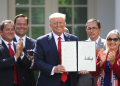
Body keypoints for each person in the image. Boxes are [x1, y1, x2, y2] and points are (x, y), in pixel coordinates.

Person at [33, 12, 78, 86]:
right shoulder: (41, 41)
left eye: (61, 22)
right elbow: (37, 62)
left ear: (65, 24)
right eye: (55, 23)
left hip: (69, 82)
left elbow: (77, 58)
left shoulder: (73, 39)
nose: (58, 25)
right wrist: (53, 69)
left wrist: (83, 67)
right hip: (48, 82)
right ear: (50, 25)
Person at [0, 20, 31, 86]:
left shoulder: (18, 45)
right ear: (1, 32)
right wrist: (15, 57)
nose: (11, 32)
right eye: (7, 29)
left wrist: (22, 54)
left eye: (12, 29)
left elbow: (28, 65)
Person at [78, 19, 106, 86]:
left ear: (100, 30)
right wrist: (79, 70)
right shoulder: (81, 45)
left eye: (94, 28)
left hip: (101, 80)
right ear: (86, 30)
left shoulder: (107, 44)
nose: (91, 31)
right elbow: (77, 65)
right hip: (85, 80)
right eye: (89, 28)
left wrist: (98, 57)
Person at [13, 14, 36, 86]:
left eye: (24, 24)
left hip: (29, 83)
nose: (22, 26)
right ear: (14, 26)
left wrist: (33, 62)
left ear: (27, 27)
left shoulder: (34, 43)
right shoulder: (8, 43)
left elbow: (37, 65)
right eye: (19, 24)